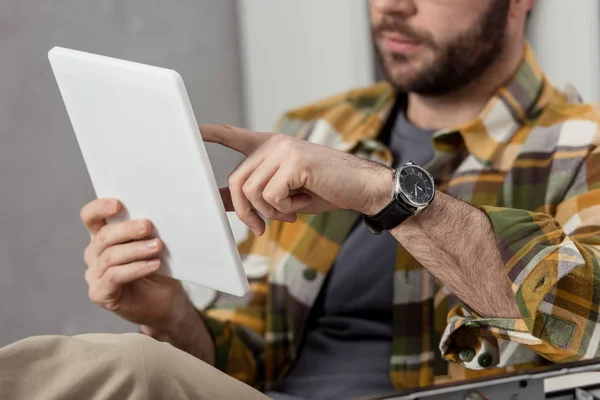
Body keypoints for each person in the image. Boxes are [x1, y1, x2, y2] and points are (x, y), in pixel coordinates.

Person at [1, 0, 600, 399]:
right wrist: (171, 316)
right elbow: (248, 359)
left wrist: (386, 192)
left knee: (117, 370)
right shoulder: (320, 129)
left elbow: (591, 325)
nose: (392, 5)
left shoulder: (582, 145)